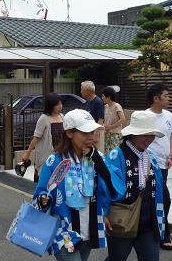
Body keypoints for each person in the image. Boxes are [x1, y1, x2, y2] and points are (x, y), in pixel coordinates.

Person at [34, 109, 120, 260]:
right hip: (65, 230)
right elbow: (41, 191)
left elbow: (111, 188)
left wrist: (104, 213)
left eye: (92, 132)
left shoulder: (97, 158)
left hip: (89, 227)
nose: (90, 137)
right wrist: (43, 198)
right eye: (85, 133)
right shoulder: (54, 161)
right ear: (69, 133)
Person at [104, 111, 166, 261]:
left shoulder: (151, 156)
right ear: (132, 134)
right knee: (116, 258)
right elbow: (106, 189)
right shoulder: (115, 156)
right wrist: (104, 213)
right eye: (145, 134)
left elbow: (160, 191)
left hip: (149, 223)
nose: (149, 139)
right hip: (123, 221)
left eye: (152, 135)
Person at [145, 83, 172, 251]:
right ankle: (164, 235)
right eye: (166, 96)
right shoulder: (144, 116)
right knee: (164, 199)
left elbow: (170, 137)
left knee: (158, 200)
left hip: (164, 164)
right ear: (156, 98)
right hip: (149, 165)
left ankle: (153, 232)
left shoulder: (169, 115)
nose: (168, 98)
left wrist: (170, 155)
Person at [21, 93, 64, 182]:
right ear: (51, 105)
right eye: (57, 104)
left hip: (60, 154)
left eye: (61, 104)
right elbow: (36, 138)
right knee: (44, 179)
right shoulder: (44, 118)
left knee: (56, 180)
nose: (60, 106)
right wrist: (27, 153)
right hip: (46, 155)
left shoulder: (62, 117)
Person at [102, 87, 125, 154]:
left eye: (103, 96)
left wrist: (111, 126)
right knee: (106, 153)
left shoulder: (116, 106)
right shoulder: (105, 106)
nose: (102, 98)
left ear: (108, 97)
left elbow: (123, 119)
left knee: (114, 153)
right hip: (106, 134)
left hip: (115, 134)